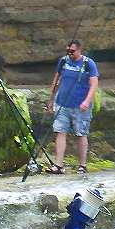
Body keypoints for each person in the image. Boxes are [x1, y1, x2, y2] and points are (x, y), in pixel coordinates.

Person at [46, 40, 99, 174]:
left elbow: (94, 84)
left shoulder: (88, 63)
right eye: (68, 51)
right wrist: (51, 100)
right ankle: (58, 165)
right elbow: (56, 80)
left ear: (79, 50)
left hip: (80, 106)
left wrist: (87, 101)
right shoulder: (63, 61)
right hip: (62, 103)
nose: (70, 54)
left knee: (80, 133)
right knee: (60, 131)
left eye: (72, 51)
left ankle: (82, 165)